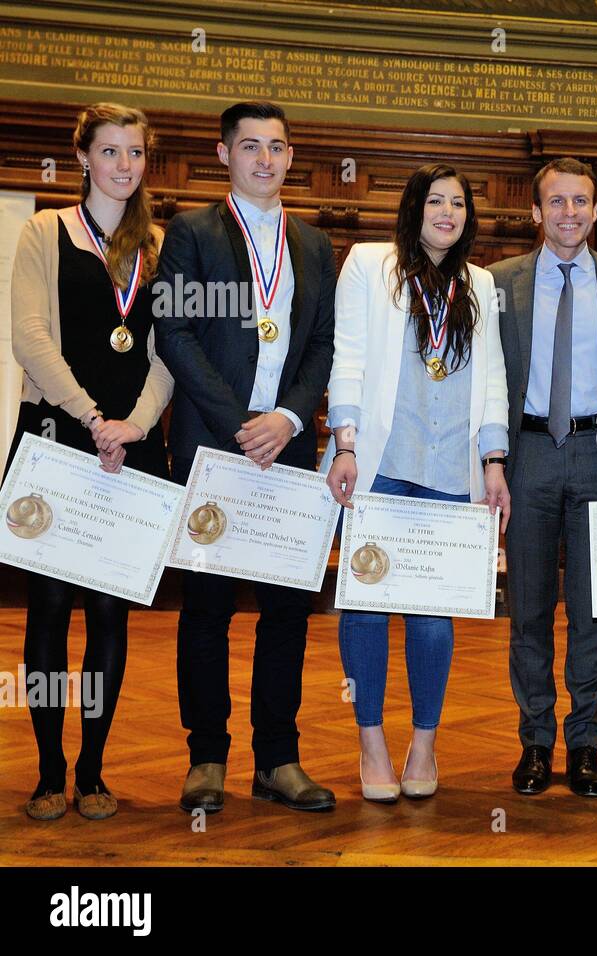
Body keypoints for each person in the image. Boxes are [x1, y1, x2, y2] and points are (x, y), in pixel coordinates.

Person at [155, 101, 336, 813]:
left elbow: (322, 344)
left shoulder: (315, 244)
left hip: (289, 452)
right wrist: (243, 427)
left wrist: (289, 418)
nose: (266, 159)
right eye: (251, 147)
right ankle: (206, 756)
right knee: (205, 609)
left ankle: (278, 759)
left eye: (279, 147)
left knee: (287, 610)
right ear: (224, 154)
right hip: (213, 447)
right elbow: (175, 333)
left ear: (292, 157)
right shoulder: (192, 234)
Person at [323, 164, 509, 802]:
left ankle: (423, 742)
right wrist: (344, 443)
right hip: (378, 463)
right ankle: (370, 741)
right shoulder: (370, 264)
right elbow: (345, 356)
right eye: (435, 201)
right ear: (413, 207)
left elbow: (491, 380)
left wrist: (494, 461)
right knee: (367, 604)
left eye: (459, 204)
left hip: (449, 469)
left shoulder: (480, 283)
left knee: (434, 616)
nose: (448, 213)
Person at [8, 102, 173, 821]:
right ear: (83, 157)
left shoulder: (161, 244)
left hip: (130, 448)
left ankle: (95, 772)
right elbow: (29, 336)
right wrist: (91, 417)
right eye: (110, 152)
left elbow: (170, 351)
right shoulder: (45, 231)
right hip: (56, 436)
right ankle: (48, 772)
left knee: (110, 613)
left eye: (135, 153)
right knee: (47, 612)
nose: (124, 166)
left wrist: (132, 425)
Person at [488, 158, 597, 797]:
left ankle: (586, 743)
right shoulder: (497, 285)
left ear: (596, 213)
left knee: (595, 609)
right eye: (557, 202)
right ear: (536, 212)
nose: (570, 213)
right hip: (529, 452)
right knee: (530, 608)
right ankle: (536, 740)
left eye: (582, 202)